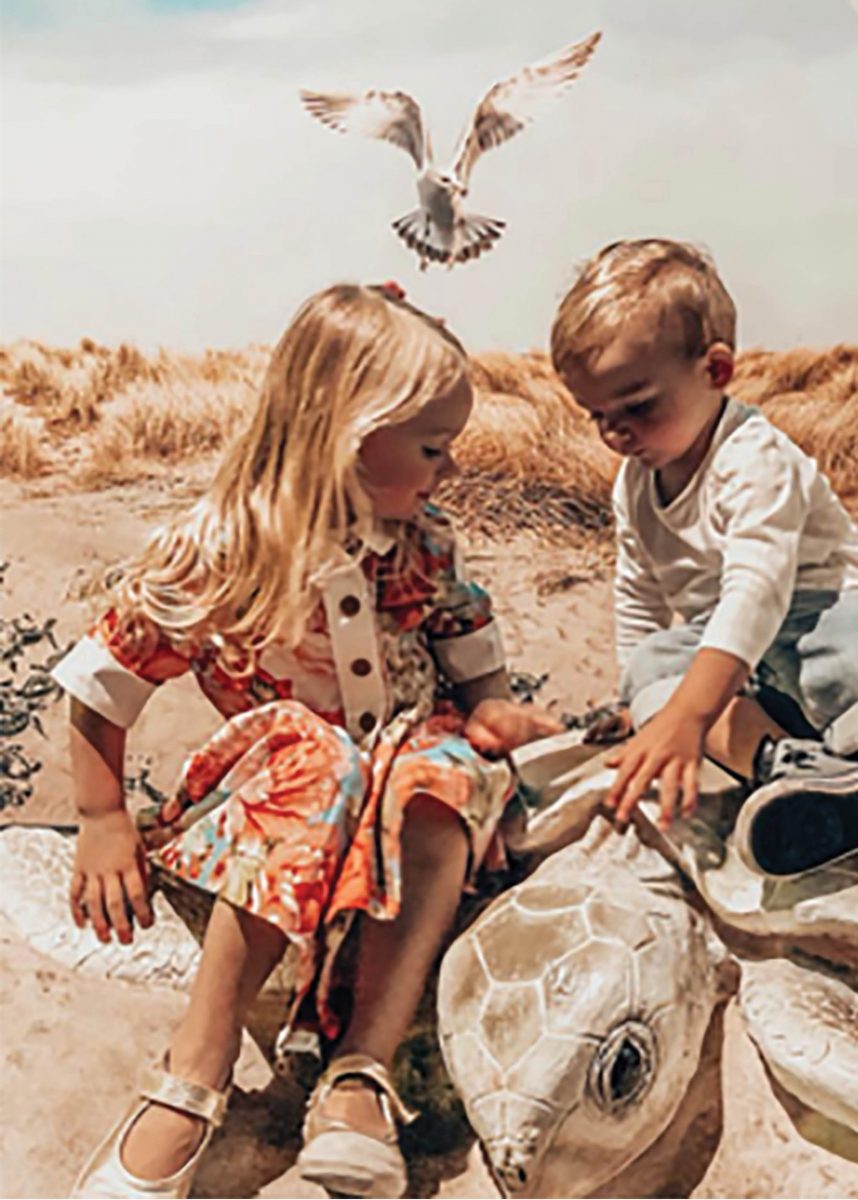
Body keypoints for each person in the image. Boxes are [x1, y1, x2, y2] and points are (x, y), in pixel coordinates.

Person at [53, 282, 561, 1200]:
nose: (447, 471)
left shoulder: (423, 546)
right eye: (432, 449)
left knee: (440, 763)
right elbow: (102, 684)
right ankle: (195, 1071)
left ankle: (357, 1075)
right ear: (346, 432)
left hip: (402, 794)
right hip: (280, 795)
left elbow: (472, 663)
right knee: (310, 750)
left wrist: (493, 715)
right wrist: (100, 816)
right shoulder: (221, 550)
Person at [549, 238, 858, 962]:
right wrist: (642, 692)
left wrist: (691, 713)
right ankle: (798, 768)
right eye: (597, 416)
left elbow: (757, 591)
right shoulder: (637, 481)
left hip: (819, 613)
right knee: (654, 672)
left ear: (718, 371)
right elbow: (638, 589)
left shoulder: (754, 457)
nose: (616, 433)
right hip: (743, 660)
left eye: (636, 406)